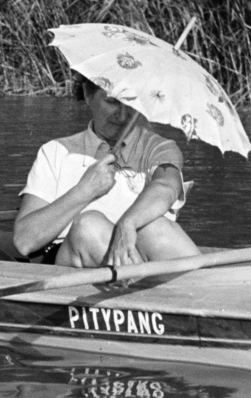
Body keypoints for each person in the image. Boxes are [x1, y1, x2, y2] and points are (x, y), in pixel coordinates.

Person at [13, 74, 201, 268]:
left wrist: (126, 224)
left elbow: (166, 186)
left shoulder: (161, 148)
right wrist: (85, 190)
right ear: (87, 94)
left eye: (132, 103)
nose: (122, 116)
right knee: (88, 226)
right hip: (71, 259)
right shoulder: (55, 152)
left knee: (156, 227)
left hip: (137, 254)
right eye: (112, 101)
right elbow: (24, 241)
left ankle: (202, 288)